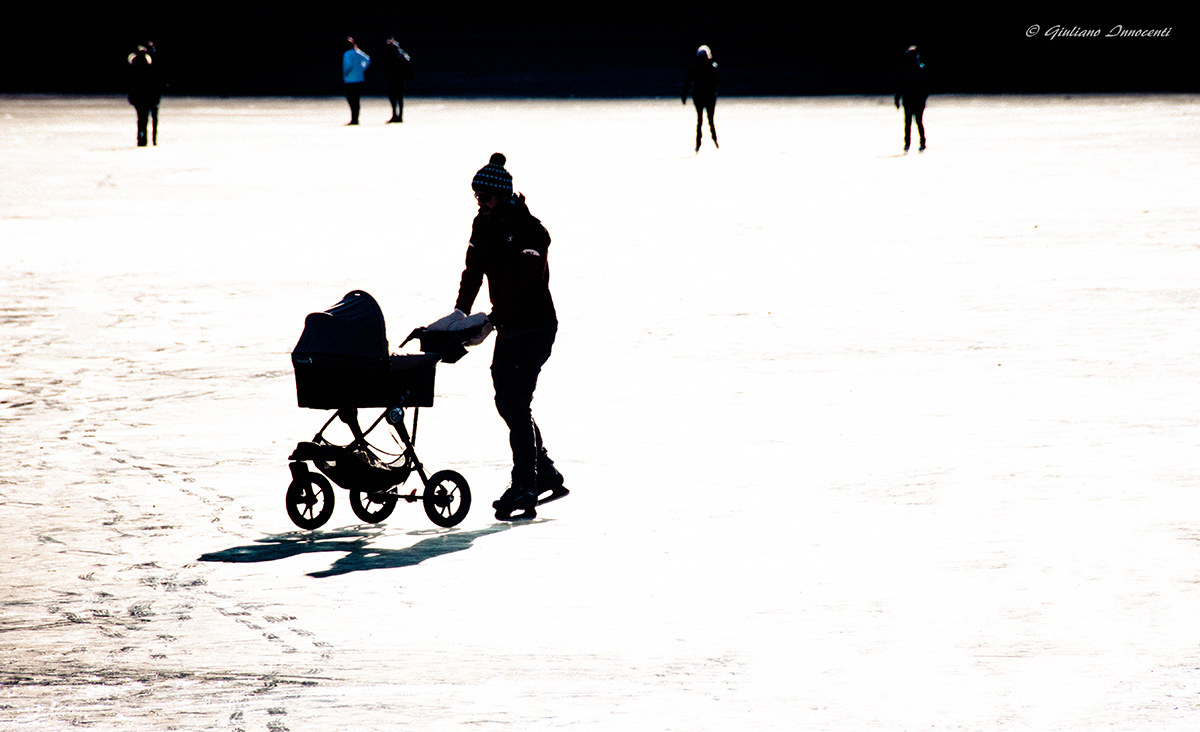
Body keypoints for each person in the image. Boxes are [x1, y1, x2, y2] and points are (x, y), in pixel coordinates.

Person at [453, 153, 567, 521]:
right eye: (477, 197)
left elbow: (522, 285)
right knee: (507, 399)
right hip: (509, 327)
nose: (480, 204)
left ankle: (526, 484)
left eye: (485, 197)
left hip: (535, 327)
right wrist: (460, 313)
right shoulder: (482, 226)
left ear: (503, 196)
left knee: (515, 402)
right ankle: (544, 471)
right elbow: (473, 270)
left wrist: (490, 320)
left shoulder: (531, 232)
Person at [681, 45, 719, 152]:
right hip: (704, 97)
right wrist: (684, 95)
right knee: (705, 120)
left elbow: (688, 83)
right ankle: (706, 142)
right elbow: (688, 83)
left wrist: (684, 95)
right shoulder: (710, 68)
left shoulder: (701, 68)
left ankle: (708, 142)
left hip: (704, 97)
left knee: (703, 120)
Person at [127, 42, 163, 147]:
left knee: (142, 119)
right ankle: (150, 140)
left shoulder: (135, 66)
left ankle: (142, 139)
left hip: (142, 96)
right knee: (149, 119)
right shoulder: (151, 66)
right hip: (149, 96)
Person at [894, 45, 929, 152]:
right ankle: (909, 143)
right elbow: (900, 85)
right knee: (910, 122)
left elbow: (925, 87)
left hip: (915, 99)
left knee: (915, 121)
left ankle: (920, 143)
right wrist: (897, 98)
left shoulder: (920, 69)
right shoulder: (905, 70)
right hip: (909, 99)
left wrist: (897, 98)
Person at [381, 37, 413, 123]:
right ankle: (400, 116)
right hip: (400, 78)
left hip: (392, 77)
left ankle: (395, 114)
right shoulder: (402, 54)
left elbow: (386, 66)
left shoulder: (389, 54)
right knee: (399, 97)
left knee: (393, 97)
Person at [342, 37, 370, 125]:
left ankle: (354, 118)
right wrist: (362, 68)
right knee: (356, 100)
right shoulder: (358, 52)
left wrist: (345, 72)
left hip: (350, 80)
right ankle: (356, 118)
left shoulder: (347, 54)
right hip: (359, 79)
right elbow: (367, 59)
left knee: (351, 100)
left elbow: (348, 65)